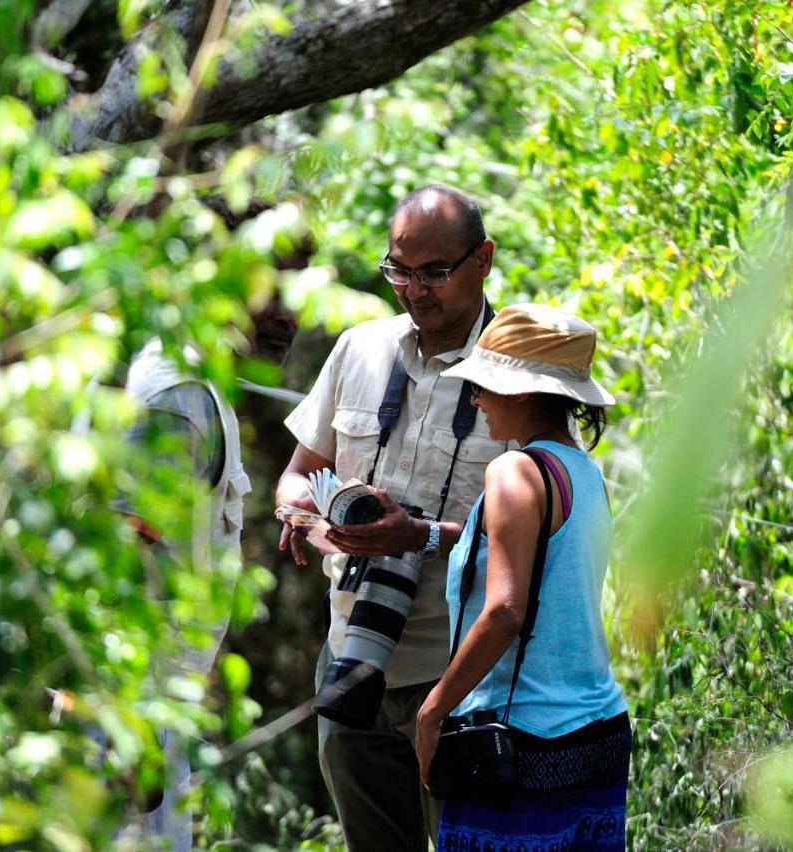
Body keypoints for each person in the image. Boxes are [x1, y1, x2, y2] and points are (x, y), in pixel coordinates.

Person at [275, 185, 508, 849]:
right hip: (351, 658)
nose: (413, 289)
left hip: (463, 674)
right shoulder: (359, 349)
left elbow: (547, 536)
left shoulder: (520, 374)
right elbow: (297, 475)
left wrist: (423, 539)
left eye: (434, 271)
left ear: (483, 259)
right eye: (398, 270)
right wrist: (307, 516)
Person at [116, 196, 306, 850]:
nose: (284, 314)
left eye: (294, 292)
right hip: (129, 721)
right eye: (266, 289)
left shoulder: (200, 388)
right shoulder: (181, 398)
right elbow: (120, 553)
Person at [415, 304, 632, 851]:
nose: (476, 399)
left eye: (484, 385)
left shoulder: (514, 472)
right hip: (599, 733)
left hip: (523, 746)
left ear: (521, 391)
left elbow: (505, 611)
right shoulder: (587, 475)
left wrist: (433, 709)